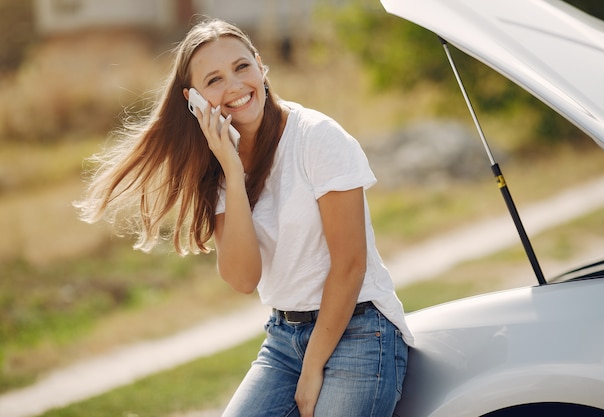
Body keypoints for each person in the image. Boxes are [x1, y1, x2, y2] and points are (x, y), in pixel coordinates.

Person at [75, 18, 414, 417]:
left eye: (241, 67)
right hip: (284, 338)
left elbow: (351, 265)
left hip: (359, 329)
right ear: (194, 99)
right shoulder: (219, 163)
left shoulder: (317, 137)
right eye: (214, 80)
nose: (235, 87)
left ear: (260, 64)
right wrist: (233, 173)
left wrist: (312, 368)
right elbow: (243, 278)